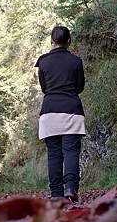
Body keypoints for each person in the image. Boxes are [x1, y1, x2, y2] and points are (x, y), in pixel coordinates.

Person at [35, 26, 86, 202]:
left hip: (49, 112)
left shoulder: (43, 62)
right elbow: (79, 87)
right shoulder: (76, 61)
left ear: (51, 41)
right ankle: (71, 189)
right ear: (69, 41)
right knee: (71, 151)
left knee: (54, 154)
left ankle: (56, 193)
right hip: (71, 110)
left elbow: (44, 88)